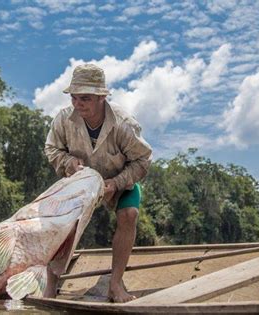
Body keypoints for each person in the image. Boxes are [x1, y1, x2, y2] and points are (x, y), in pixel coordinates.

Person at [44, 64, 152, 303]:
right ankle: (50, 286)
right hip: (79, 183)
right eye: (74, 98)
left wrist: (116, 183)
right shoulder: (63, 119)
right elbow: (52, 149)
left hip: (118, 182)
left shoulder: (124, 124)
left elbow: (142, 161)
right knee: (62, 221)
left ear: (102, 97)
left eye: (85, 98)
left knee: (130, 214)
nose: (78, 104)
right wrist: (69, 162)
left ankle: (115, 284)